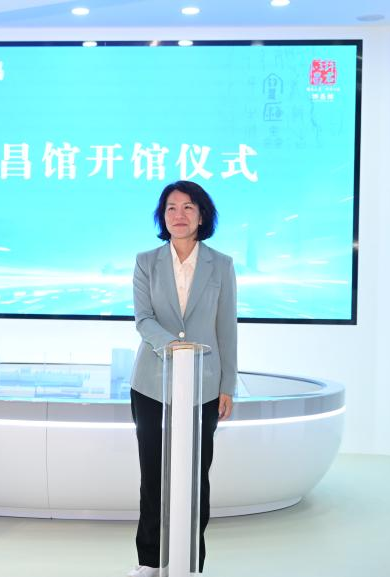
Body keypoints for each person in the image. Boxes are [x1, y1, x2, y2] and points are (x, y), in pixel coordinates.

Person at [127, 180, 237, 577]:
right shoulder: (146, 261)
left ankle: (191, 562)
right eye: (171, 207)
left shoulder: (221, 264)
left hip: (203, 387)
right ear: (163, 216)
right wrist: (175, 346)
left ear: (202, 216)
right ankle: (149, 561)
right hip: (151, 385)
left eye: (188, 207)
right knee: (153, 477)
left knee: (196, 477)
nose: (179, 215)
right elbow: (144, 319)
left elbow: (226, 327)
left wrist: (227, 385)